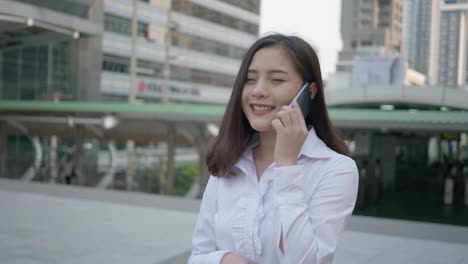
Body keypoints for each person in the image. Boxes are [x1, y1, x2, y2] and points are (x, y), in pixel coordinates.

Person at [188, 34, 359, 264]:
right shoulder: (229, 161)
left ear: (309, 93)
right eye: (250, 79)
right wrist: (223, 260)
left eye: (276, 80)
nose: (258, 90)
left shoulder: (337, 170)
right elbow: (197, 256)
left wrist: (287, 165)